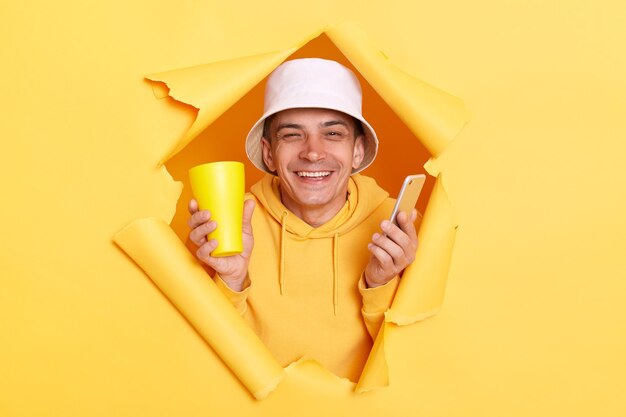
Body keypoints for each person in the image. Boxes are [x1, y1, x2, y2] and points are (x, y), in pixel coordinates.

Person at [187, 58, 419, 381]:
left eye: (333, 133)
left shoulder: (396, 232)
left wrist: (381, 283)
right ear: (269, 153)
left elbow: (416, 369)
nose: (313, 152)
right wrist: (230, 282)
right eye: (293, 135)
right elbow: (197, 367)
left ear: (357, 151)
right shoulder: (229, 227)